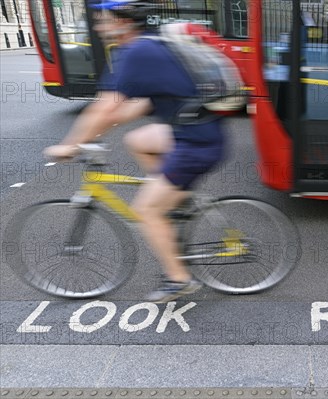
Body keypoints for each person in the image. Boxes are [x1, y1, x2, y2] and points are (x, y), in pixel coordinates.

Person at [43, 0, 226, 303]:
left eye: (104, 20)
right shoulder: (151, 43)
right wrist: (101, 127)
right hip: (195, 131)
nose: (99, 27)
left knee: (145, 210)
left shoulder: (136, 51)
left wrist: (71, 146)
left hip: (196, 143)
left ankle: (179, 280)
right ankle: (174, 198)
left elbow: (106, 107)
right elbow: (130, 108)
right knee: (138, 140)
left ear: (124, 22)